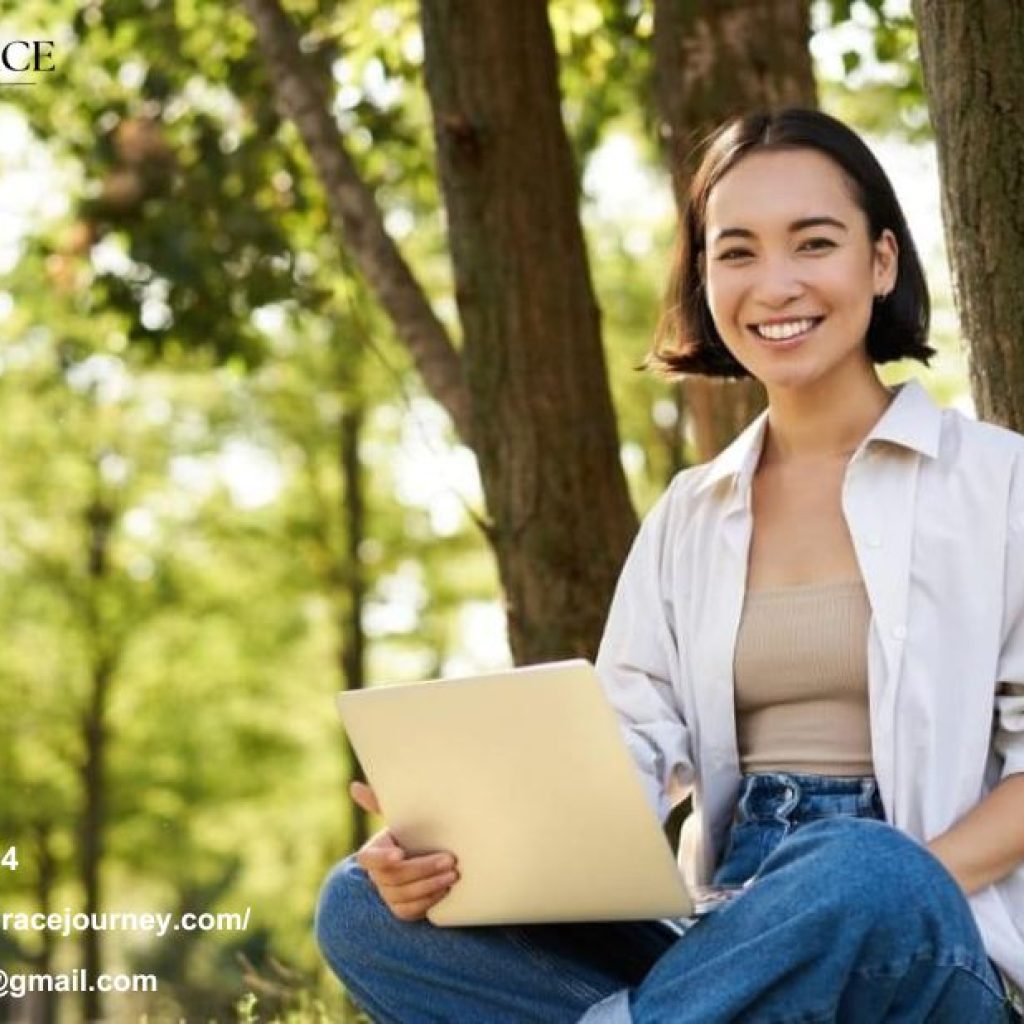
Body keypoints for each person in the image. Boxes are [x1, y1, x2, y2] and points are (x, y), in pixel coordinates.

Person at [314, 108, 1024, 1022]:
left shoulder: (1000, 483)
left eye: (813, 243)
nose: (775, 284)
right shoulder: (694, 513)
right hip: (725, 939)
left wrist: (888, 882)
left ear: (880, 262)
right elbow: (625, 746)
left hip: (926, 939)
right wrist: (461, 830)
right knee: (362, 908)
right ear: (703, 276)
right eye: (736, 253)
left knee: (863, 862)